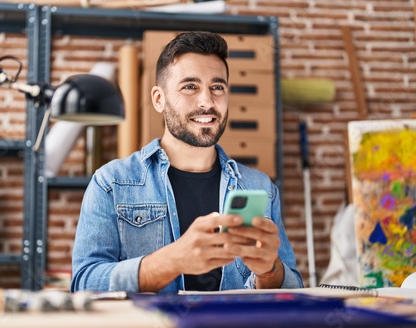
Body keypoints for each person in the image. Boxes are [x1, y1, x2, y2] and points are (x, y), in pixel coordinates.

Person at [71, 31, 303, 294]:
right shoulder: (112, 182)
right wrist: (173, 259)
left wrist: (269, 270)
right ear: (159, 99)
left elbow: (293, 287)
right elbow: (84, 283)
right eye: (190, 86)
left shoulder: (259, 186)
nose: (207, 101)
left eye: (218, 87)